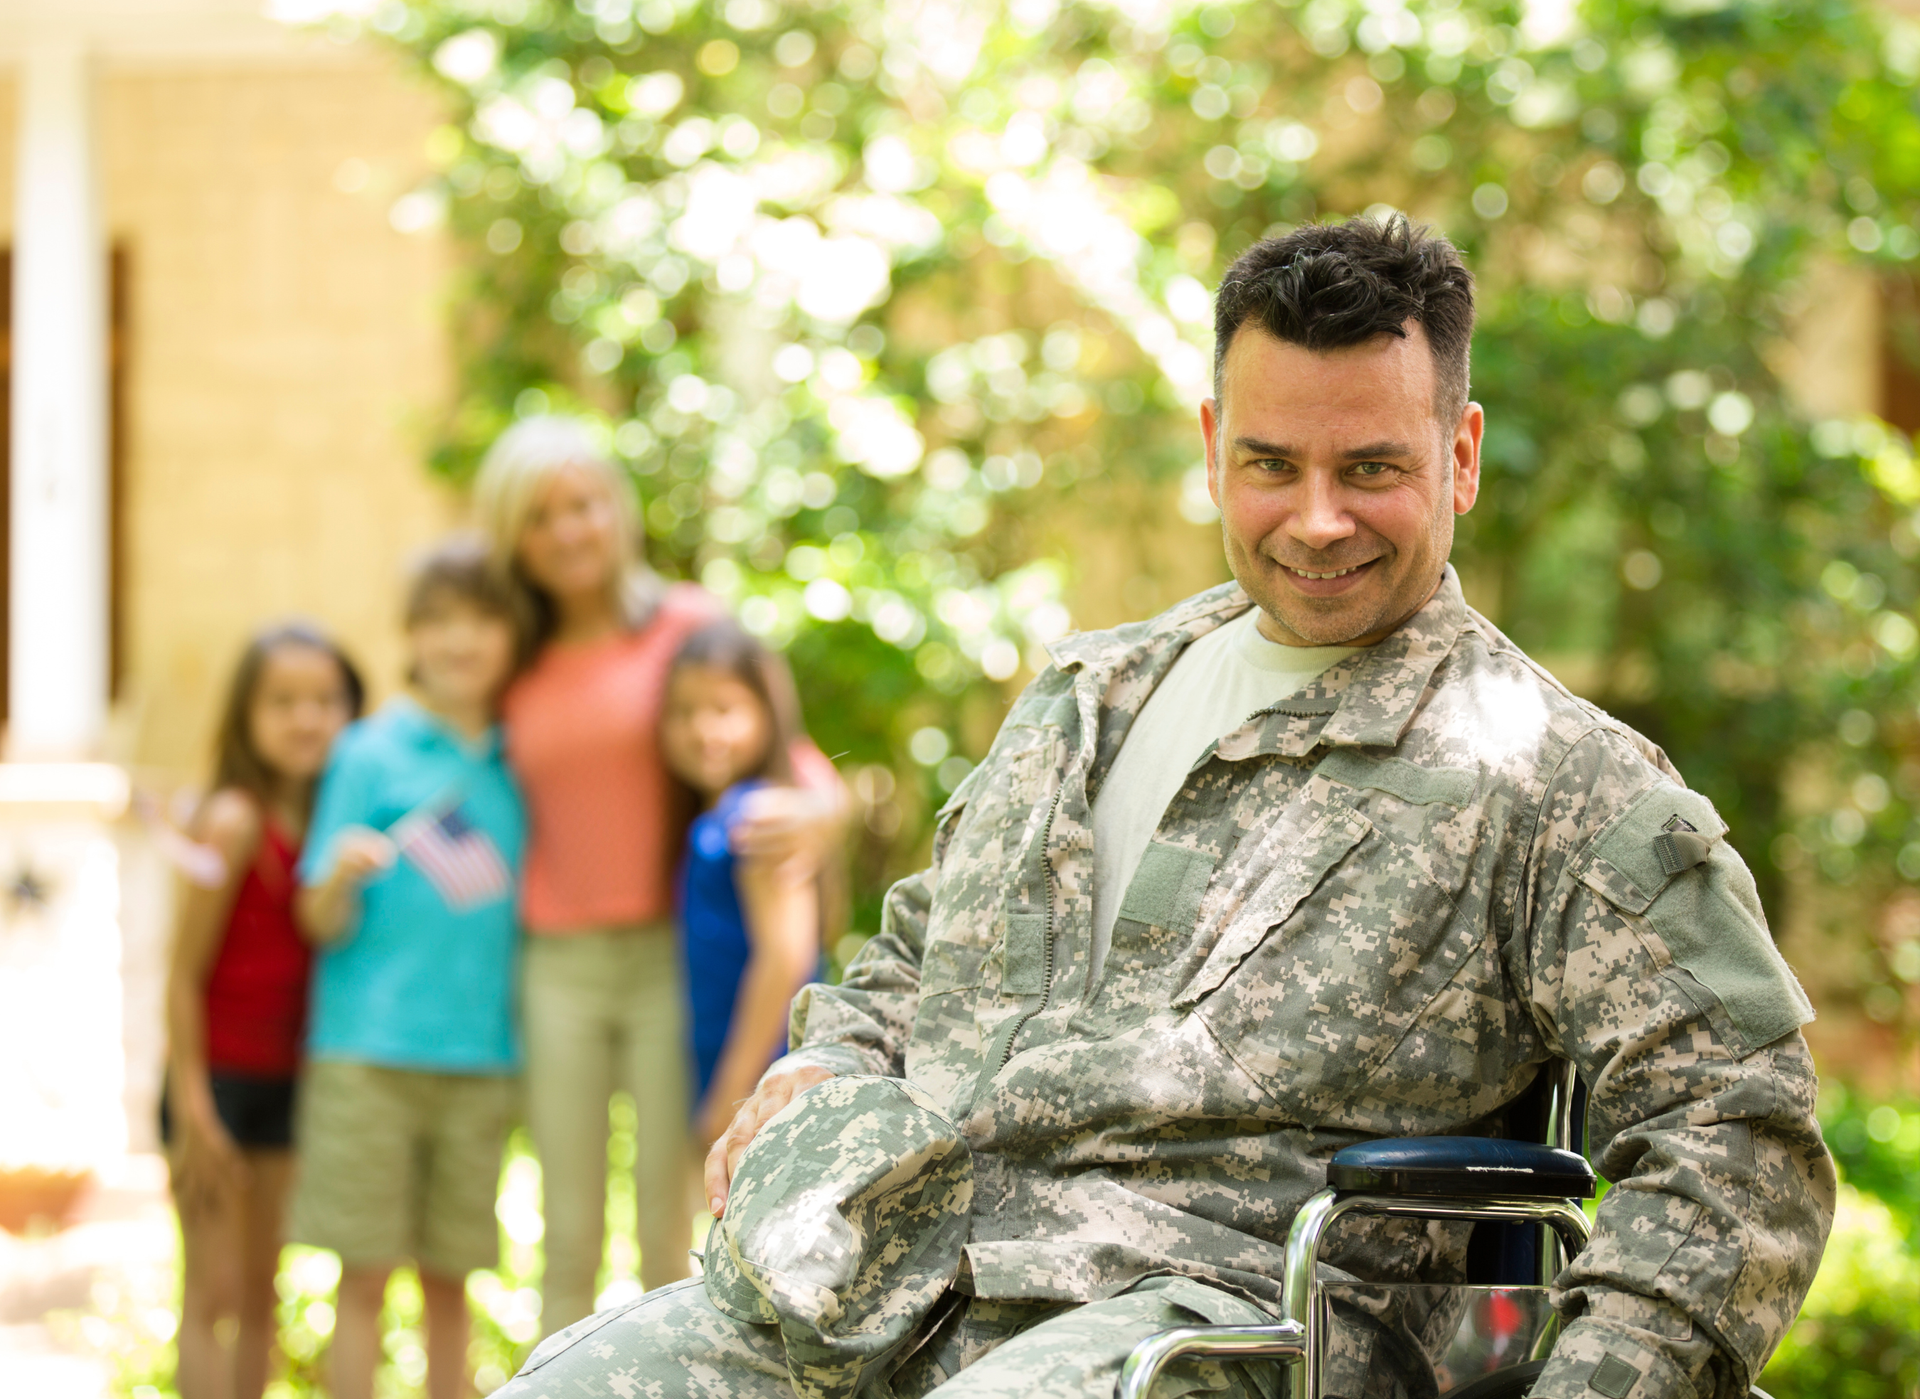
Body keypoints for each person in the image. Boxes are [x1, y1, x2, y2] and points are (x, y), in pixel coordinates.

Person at [500, 217, 1836, 1399]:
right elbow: (913, 955)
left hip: (1222, 1330)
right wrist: (828, 1057)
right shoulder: (1087, 695)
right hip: (883, 1287)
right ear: (1211, 447)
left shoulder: (1552, 777)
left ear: (1461, 454)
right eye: (1271, 462)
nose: (1316, 519)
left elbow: (1739, 1140)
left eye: (1371, 467)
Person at [474, 417, 845, 1330]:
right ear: (512, 536)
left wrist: (830, 812)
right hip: (555, 961)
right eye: (542, 516)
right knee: (564, 1224)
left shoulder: (687, 623)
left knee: (666, 1214)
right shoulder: (510, 658)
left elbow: (791, 760)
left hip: (665, 958)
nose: (569, 531)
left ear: (619, 510)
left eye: (586, 505)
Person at [291, 538, 528, 1399]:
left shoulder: (519, 757)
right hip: (367, 1056)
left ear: (511, 635)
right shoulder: (368, 752)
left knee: (451, 1278)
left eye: (482, 620)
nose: (461, 640)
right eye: (440, 621)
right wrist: (339, 876)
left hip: (479, 1059)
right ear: (411, 635)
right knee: (362, 1274)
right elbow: (315, 918)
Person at [162, 623, 363, 1399]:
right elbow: (184, 975)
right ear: (244, 714)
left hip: (290, 1083)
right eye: (282, 701)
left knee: (258, 1293)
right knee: (208, 1293)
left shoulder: (333, 826)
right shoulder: (232, 819)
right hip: (215, 1081)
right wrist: (192, 1105)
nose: (306, 719)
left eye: (325, 700)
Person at [660, 619, 825, 1149]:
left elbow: (785, 959)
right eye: (684, 712)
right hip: (722, 1058)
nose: (704, 730)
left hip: (763, 1079)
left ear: (766, 714)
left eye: (725, 710)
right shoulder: (715, 813)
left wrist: (731, 1096)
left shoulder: (761, 816)